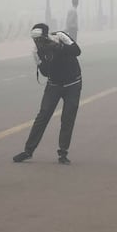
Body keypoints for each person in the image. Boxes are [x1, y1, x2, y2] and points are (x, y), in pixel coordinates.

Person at [13, 23, 83, 165]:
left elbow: (77, 51)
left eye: (40, 39)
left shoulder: (61, 37)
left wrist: (60, 47)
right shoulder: (36, 51)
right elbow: (45, 72)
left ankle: (63, 153)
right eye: (35, 40)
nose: (37, 42)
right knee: (43, 115)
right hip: (54, 84)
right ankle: (28, 151)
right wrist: (45, 56)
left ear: (46, 35)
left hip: (73, 83)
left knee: (67, 117)